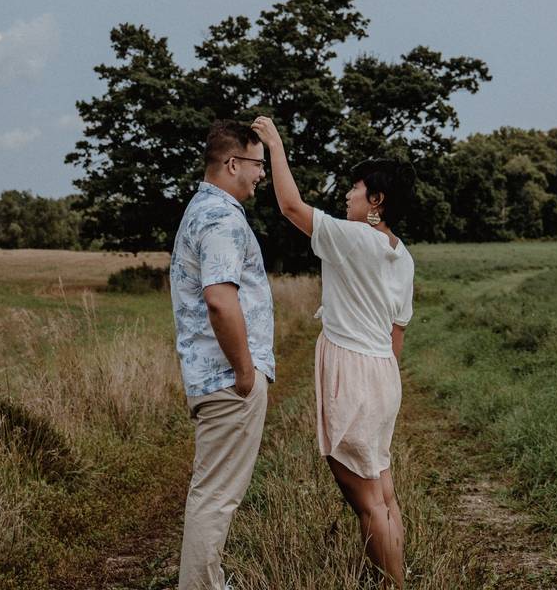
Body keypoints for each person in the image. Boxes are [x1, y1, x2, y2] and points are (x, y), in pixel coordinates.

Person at [251, 116, 415, 588]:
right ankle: (390, 579)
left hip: (354, 372)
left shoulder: (355, 236)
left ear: (376, 201)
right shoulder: (402, 255)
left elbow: (288, 205)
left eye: (355, 187)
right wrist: (382, 387)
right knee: (383, 493)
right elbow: (396, 335)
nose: (347, 195)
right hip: (383, 375)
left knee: (366, 502)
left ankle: (391, 585)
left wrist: (275, 146)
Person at [169, 119, 275, 590]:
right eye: (257, 165)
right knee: (215, 498)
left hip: (214, 376)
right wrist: (245, 371)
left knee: (213, 494)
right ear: (233, 164)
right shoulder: (220, 218)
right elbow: (219, 298)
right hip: (227, 380)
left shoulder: (203, 210)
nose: (260, 176)